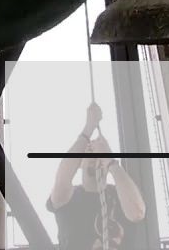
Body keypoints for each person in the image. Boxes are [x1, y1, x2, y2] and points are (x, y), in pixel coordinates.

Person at [47, 104, 147, 250]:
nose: (95, 155)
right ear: (80, 162)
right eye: (89, 151)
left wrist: (111, 162)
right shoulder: (71, 196)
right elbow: (63, 178)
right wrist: (88, 129)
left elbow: (137, 212)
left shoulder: (121, 194)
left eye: (99, 153)